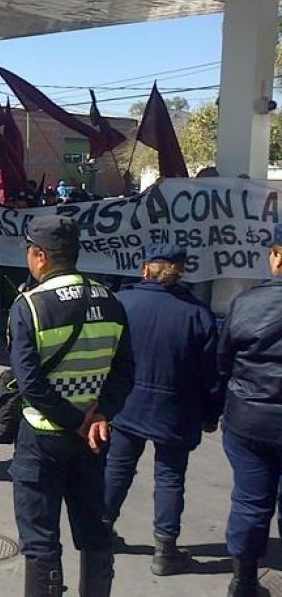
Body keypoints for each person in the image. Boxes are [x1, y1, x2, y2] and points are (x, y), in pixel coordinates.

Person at [7, 215, 133, 597]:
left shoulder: (29, 306)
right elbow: (125, 371)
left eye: (30, 251)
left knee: (41, 539)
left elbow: (30, 383)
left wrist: (74, 420)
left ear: (40, 256)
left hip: (43, 438)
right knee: (94, 532)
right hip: (93, 439)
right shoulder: (111, 300)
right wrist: (101, 414)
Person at [103, 244, 221, 576]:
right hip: (176, 409)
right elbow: (211, 373)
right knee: (169, 477)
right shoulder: (197, 313)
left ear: (145, 269)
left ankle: (100, 529)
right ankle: (164, 549)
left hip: (128, 403)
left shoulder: (124, 302)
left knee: (118, 468)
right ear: (180, 271)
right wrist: (212, 414)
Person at [218, 223, 282, 597]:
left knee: (250, 500)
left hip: (249, 420)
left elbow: (223, 360)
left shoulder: (247, 303)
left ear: (275, 256)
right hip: (251, 418)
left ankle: (243, 581)